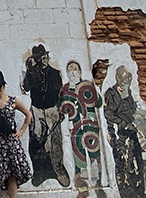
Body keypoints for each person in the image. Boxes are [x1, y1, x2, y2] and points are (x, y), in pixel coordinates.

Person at [22, 44, 69, 187]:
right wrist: (30, 70)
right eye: (40, 58)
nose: (44, 60)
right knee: (36, 140)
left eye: (45, 57)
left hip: (52, 109)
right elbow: (26, 87)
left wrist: (61, 110)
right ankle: (38, 171)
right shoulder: (32, 73)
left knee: (55, 140)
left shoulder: (55, 73)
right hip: (36, 109)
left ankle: (59, 169)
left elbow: (61, 93)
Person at [58, 60, 104, 197]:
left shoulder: (87, 86)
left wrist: (95, 87)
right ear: (67, 72)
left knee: (95, 154)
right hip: (75, 126)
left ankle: (98, 184)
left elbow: (99, 102)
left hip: (90, 125)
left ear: (79, 71)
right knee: (79, 156)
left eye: (75, 69)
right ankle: (82, 189)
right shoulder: (65, 89)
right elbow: (60, 107)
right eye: (70, 69)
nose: (73, 71)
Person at [104, 66, 145, 198]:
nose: (127, 80)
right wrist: (124, 124)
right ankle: (127, 193)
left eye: (129, 78)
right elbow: (108, 114)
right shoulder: (112, 94)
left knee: (138, 163)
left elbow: (131, 110)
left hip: (131, 133)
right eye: (124, 78)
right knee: (124, 166)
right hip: (120, 135)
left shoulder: (128, 92)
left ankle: (139, 191)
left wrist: (138, 117)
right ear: (117, 78)